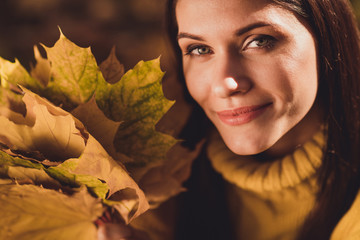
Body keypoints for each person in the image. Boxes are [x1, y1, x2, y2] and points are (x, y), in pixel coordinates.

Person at [103, 0, 360, 239]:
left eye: (259, 41)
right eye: (199, 49)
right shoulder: (145, 184)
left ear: (327, 37)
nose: (225, 84)